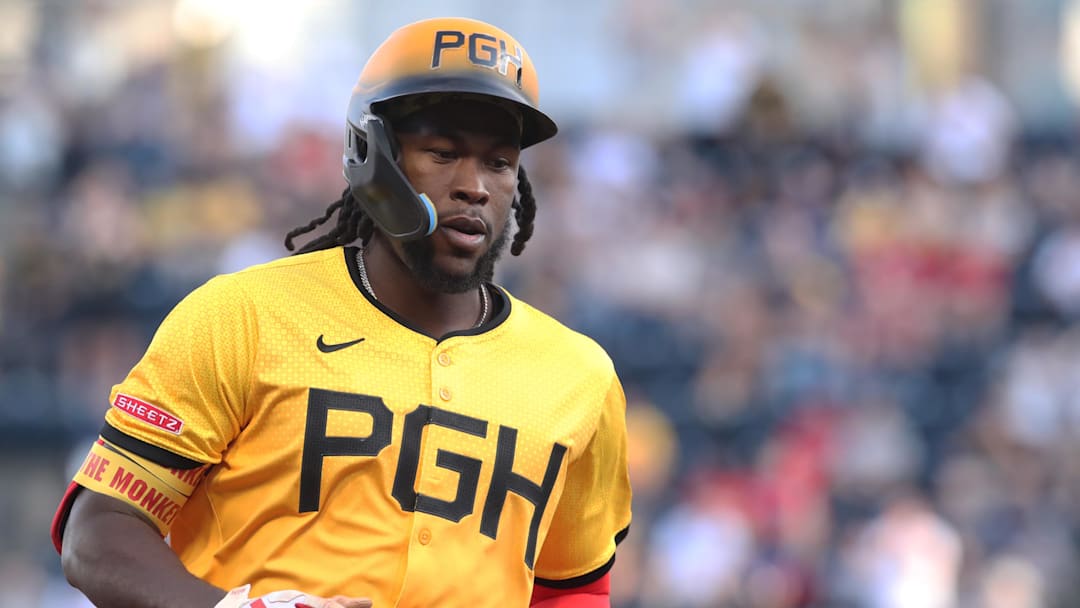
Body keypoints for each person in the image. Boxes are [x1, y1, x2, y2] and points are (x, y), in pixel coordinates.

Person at [52, 16, 633, 608]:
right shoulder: (242, 315)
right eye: (443, 152)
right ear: (372, 156)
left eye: (499, 162)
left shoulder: (580, 376)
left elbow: (574, 589)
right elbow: (97, 534)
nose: (474, 186)